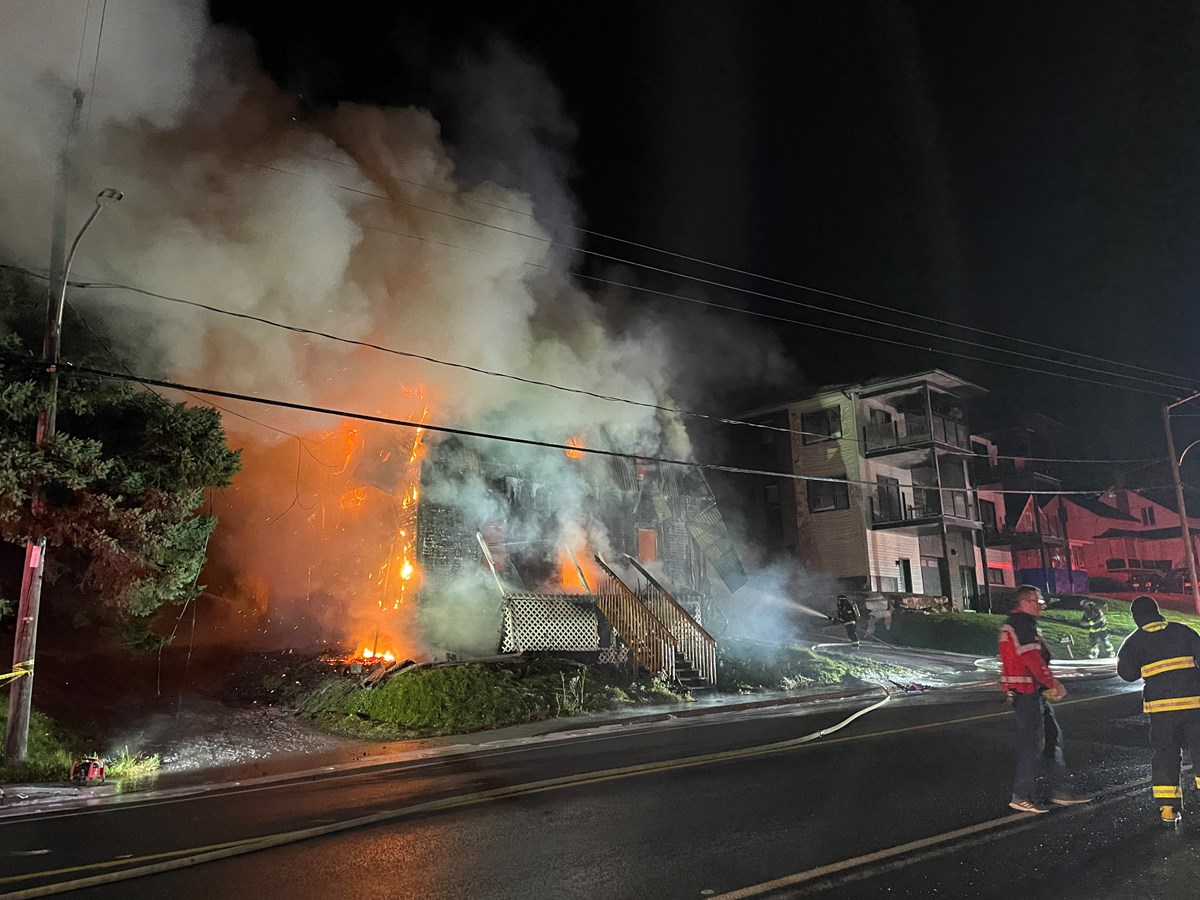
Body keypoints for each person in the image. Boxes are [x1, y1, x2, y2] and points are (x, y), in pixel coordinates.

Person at [998, 584, 1091, 813]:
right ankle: (1022, 795)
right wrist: (1052, 683)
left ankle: (1062, 790)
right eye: (1038, 602)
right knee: (1033, 744)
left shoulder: (1019, 624)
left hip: (1031, 692)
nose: (1042, 606)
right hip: (1027, 693)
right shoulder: (1022, 624)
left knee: (1051, 738)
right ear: (1025, 601)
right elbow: (1032, 659)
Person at [1116, 595, 1200, 826]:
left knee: (1165, 755)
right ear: (1157, 611)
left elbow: (1127, 674)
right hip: (1194, 706)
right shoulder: (1183, 631)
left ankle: (1168, 810)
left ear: (1136, 618)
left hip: (1161, 711)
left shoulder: (1133, 641)